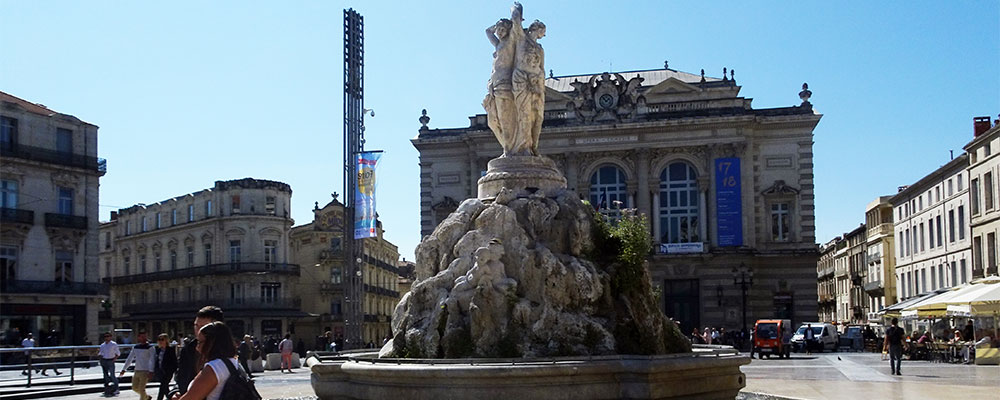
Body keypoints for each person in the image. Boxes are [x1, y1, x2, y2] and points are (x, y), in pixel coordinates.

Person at [172, 321, 243, 400]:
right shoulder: (233, 362)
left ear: (211, 342)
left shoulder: (214, 367)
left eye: (199, 342)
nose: (197, 347)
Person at [176, 306, 224, 395]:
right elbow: (180, 377)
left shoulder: (225, 352)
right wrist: (175, 392)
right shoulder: (188, 349)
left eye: (203, 327)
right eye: (196, 326)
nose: (198, 331)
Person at [120, 331, 156, 400]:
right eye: (142, 337)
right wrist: (124, 369)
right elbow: (130, 358)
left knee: (142, 388)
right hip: (137, 370)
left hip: (145, 370)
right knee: (134, 387)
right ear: (139, 337)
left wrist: (151, 371)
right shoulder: (136, 347)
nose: (144, 338)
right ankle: (146, 397)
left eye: (145, 336)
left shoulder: (150, 347)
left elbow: (152, 359)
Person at [154, 333, 178, 400]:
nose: (160, 341)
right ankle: (171, 398)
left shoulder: (170, 350)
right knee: (165, 388)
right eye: (159, 339)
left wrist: (172, 371)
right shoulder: (157, 350)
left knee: (162, 387)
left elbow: (174, 361)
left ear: (166, 341)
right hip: (160, 372)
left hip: (167, 372)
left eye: (162, 339)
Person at [99, 332, 121, 396]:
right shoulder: (102, 345)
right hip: (104, 360)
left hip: (111, 360)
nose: (107, 338)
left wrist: (114, 359)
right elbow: (101, 353)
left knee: (112, 375)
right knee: (105, 375)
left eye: (108, 336)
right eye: (105, 336)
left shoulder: (114, 344)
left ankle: (116, 388)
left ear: (111, 337)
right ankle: (107, 388)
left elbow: (118, 353)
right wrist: (100, 359)